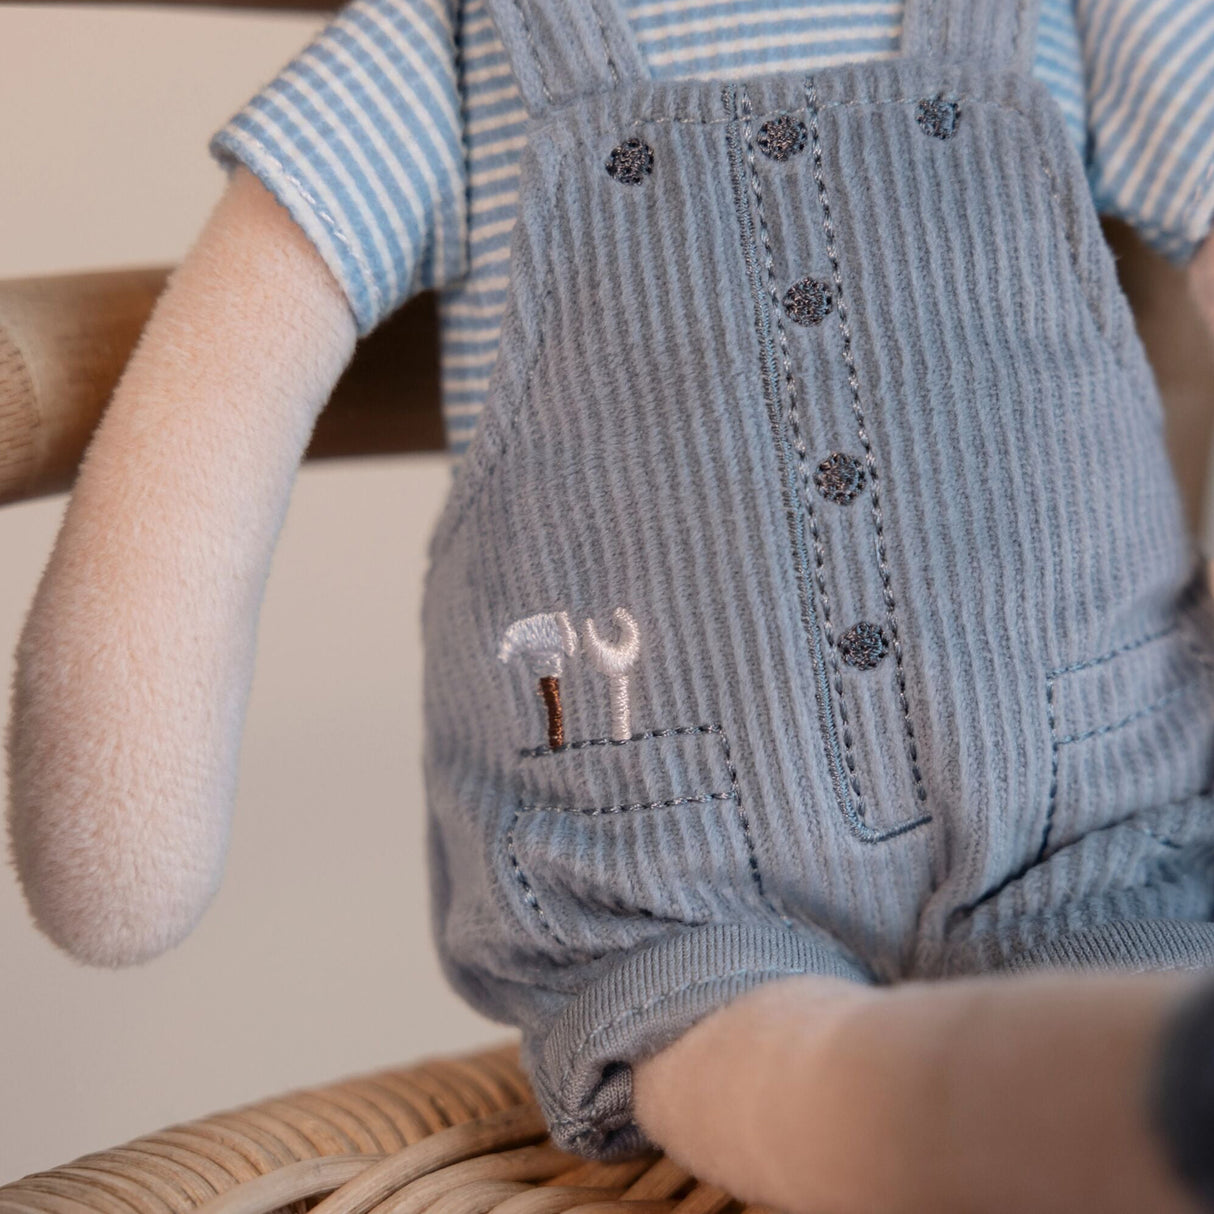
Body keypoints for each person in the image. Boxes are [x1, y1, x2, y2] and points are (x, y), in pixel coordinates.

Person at [10, 3, 1214, 1210]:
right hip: (668, 880)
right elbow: (235, 369)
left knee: (1153, 990)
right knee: (739, 1046)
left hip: (1101, 826)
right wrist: (130, 786)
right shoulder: (460, 47)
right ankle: (861, 1106)